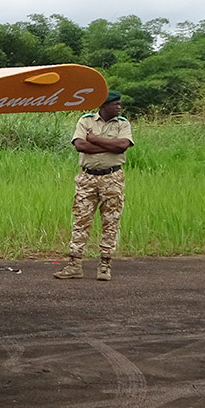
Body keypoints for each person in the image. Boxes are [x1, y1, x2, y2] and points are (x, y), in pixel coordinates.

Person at [54, 90, 133, 281]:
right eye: (115, 104)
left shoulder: (122, 123)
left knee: (111, 221)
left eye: (119, 104)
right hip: (87, 178)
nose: (119, 107)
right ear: (104, 105)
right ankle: (74, 265)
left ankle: (105, 265)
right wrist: (110, 145)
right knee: (81, 221)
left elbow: (122, 146)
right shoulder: (86, 121)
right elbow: (81, 146)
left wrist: (95, 140)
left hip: (112, 178)